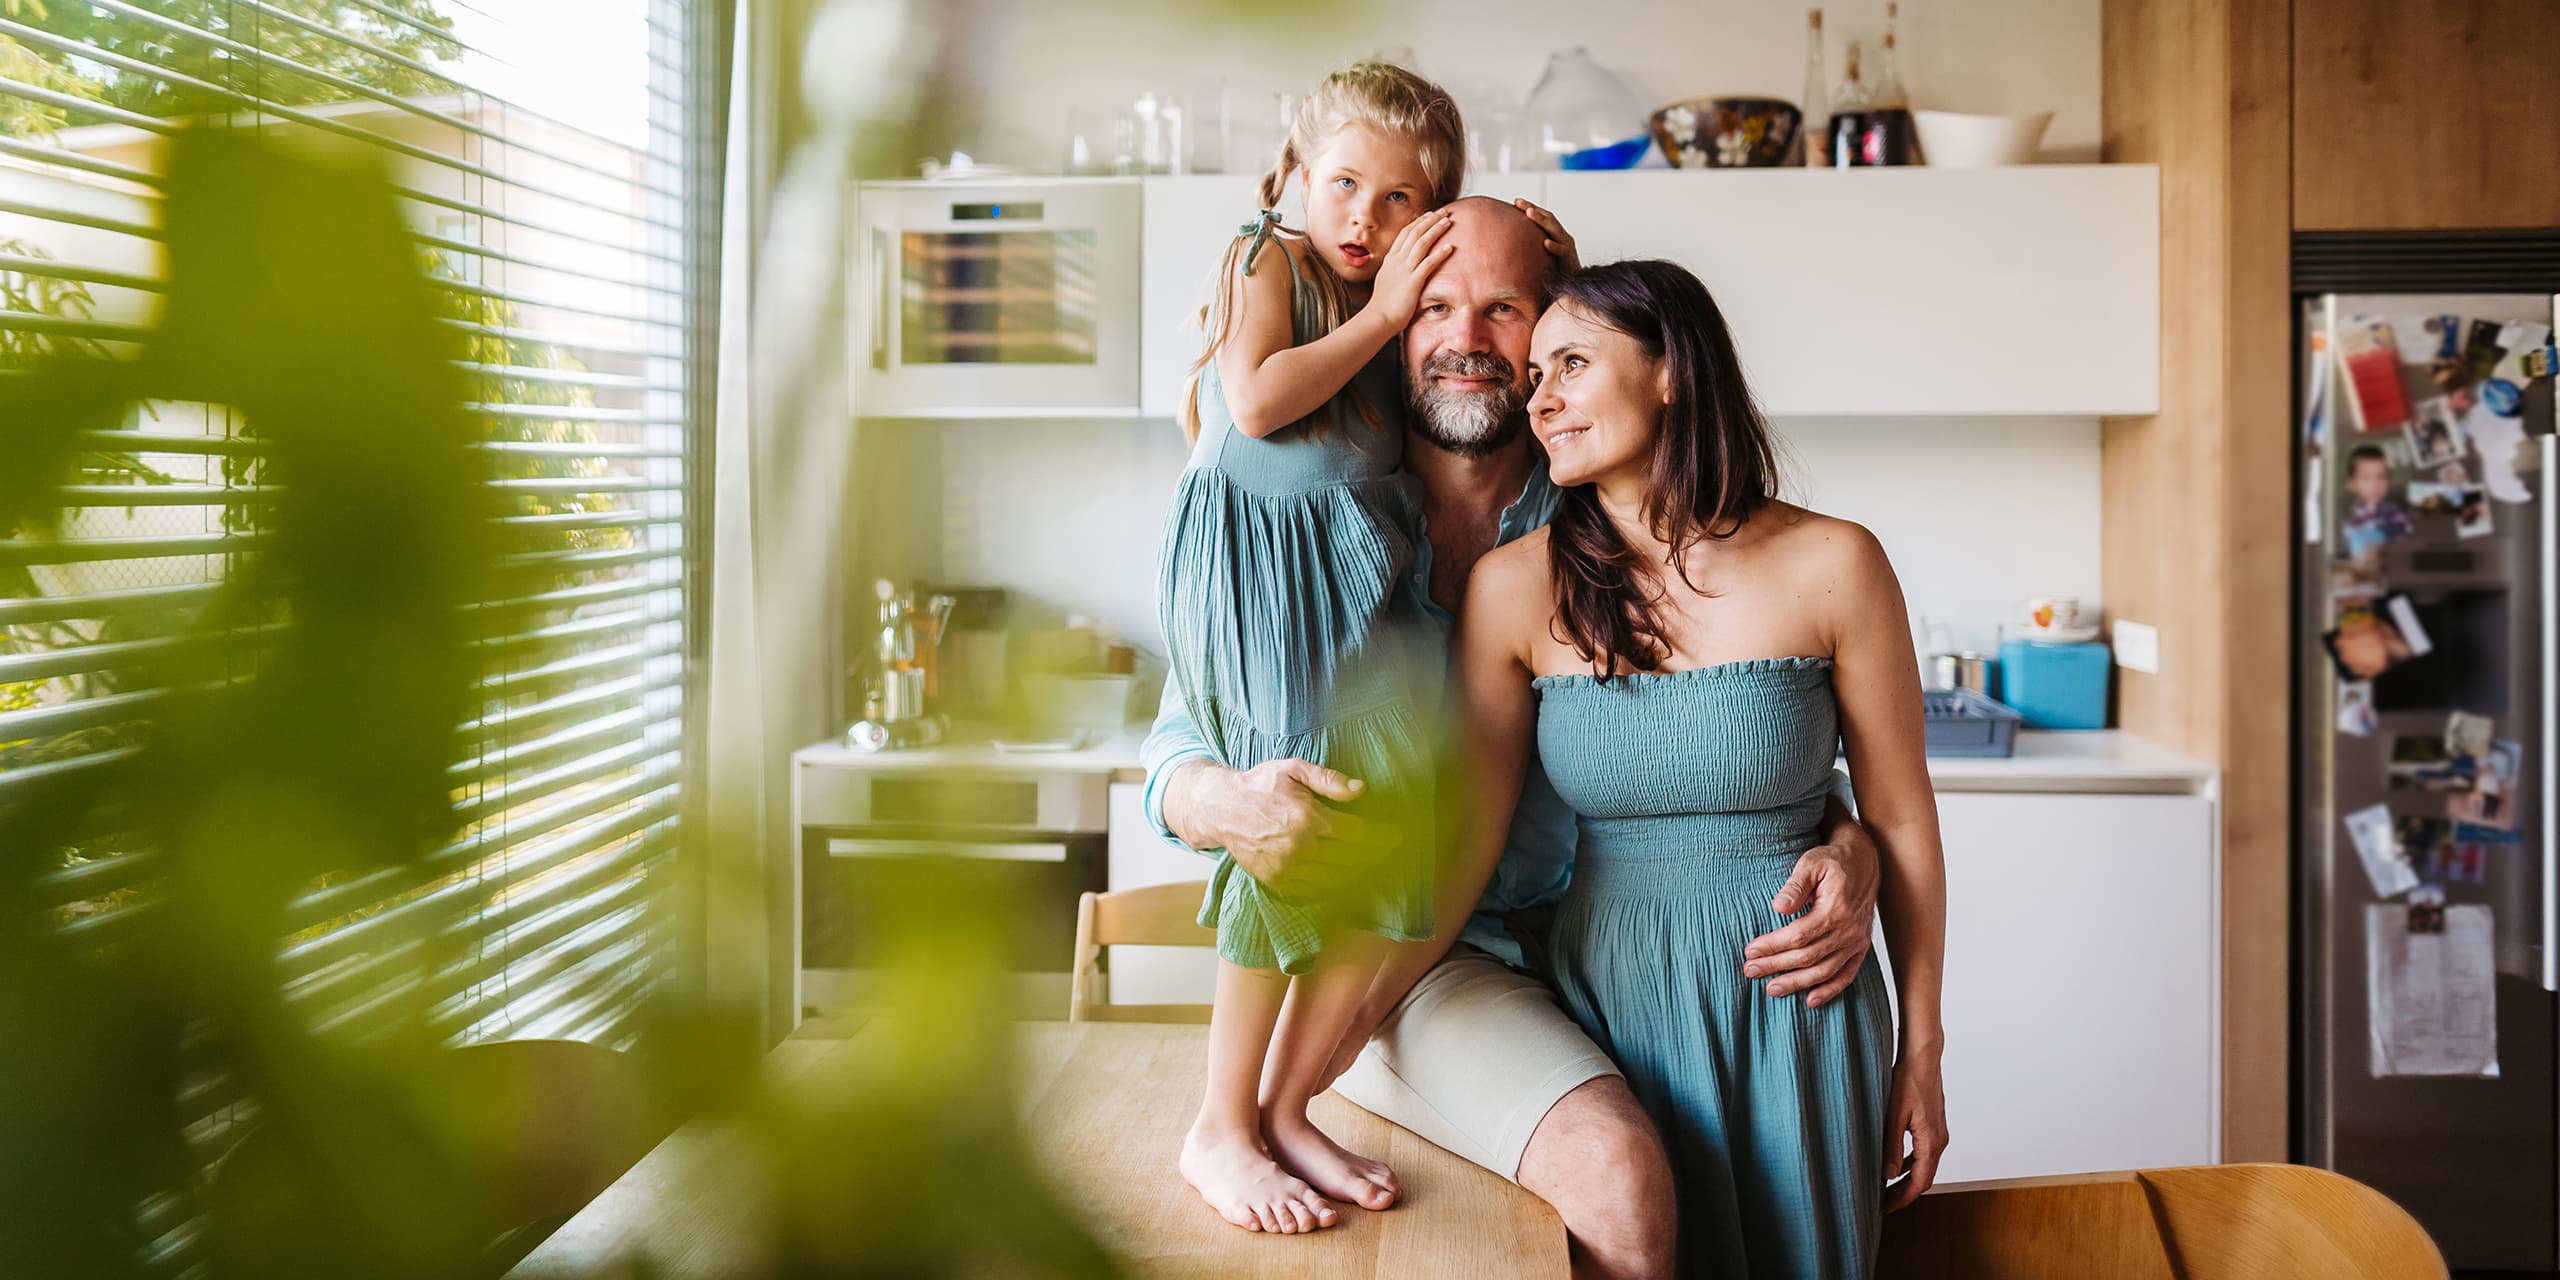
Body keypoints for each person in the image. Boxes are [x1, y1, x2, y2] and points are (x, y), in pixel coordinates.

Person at [1148, 199, 1892, 1278]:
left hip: (1608, 945)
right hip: (1414, 955)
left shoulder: (1601, 490)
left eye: (1508, 311)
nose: (1466, 339)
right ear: (1388, 324)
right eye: (1435, 306)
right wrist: (1216, 801)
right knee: (1618, 1174)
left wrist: (1844, 834)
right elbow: (1181, 737)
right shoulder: (1301, 502)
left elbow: (1726, 718)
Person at [1435, 258, 1949, 1277]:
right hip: (1600, 1011)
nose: (1539, 398)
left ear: (1671, 369)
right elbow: (1455, 848)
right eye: (1533, 374)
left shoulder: (1836, 561)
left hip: (1801, 1010)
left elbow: (1900, 814)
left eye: (1570, 363)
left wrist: (1923, 1050)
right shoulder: (1511, 588)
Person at [1156, 60, 1472, 1236]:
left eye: (1401, 202)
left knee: (1383, 812)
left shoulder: (1387, 305)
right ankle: (1220, 1123)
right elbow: (1253, 399)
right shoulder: (1270, 257)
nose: (1364, 219)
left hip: (1349, 584)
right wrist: (1389, 310)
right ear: (1293, 177)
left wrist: (1527, 247)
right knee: (1286, 805)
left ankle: (1287, 1107)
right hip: (1255, 572)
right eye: (1343, 183)